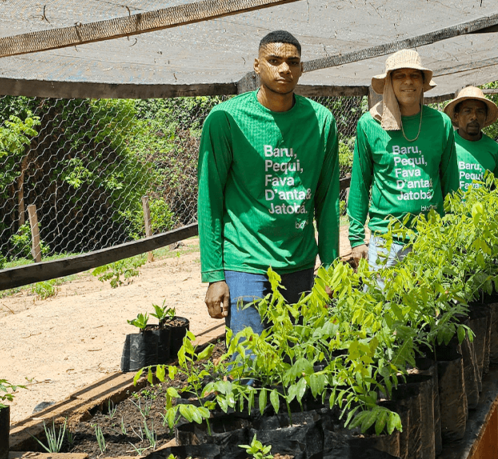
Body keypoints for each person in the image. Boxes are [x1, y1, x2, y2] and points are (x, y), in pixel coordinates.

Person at [197, 30, 340, 337]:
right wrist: (214, 275)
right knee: (249, 364)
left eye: (293, 62)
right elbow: (209, 199)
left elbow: (327, 200)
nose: (284, 68)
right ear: (257, 66)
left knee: (299, 358)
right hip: (245, 262)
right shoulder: (226, 119)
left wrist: (330, 265)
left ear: (301, 69)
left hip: (300, 260)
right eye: (274, 60)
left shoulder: (321, 121)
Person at [347, 49, 460, 270]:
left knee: (434, 303)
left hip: (432, 237)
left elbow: (451, 183)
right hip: (386, 241)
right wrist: (357, 238)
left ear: (423, 82)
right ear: (389, 81)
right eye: (400, 75)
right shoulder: (369, 124)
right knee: (383, 303)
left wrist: (455, 229)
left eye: (414, 75)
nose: (408, 81)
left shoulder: (441, 123)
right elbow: (360, 184)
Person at [444, 85, 498, 191]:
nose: (474, 117)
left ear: (485, 117)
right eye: (467, 111)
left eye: (480, 111)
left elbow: (497, 188)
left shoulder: (494, 149)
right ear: (457, 116)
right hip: (451, 207)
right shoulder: (446, 144)